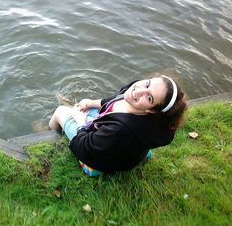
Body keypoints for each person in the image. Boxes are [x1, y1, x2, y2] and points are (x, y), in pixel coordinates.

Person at [49, 75, 187, 176]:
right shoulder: (133, 93)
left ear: (151, 110)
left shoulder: (121, 130)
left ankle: (50, 130)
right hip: (120, 145)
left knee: (60, 111)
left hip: (101, 158)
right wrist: (91, 103)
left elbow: (85, 146)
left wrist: (80, 121)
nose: (138, 91)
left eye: (149, 98)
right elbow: (115, 99)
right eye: (147, 84)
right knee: (80, 107)